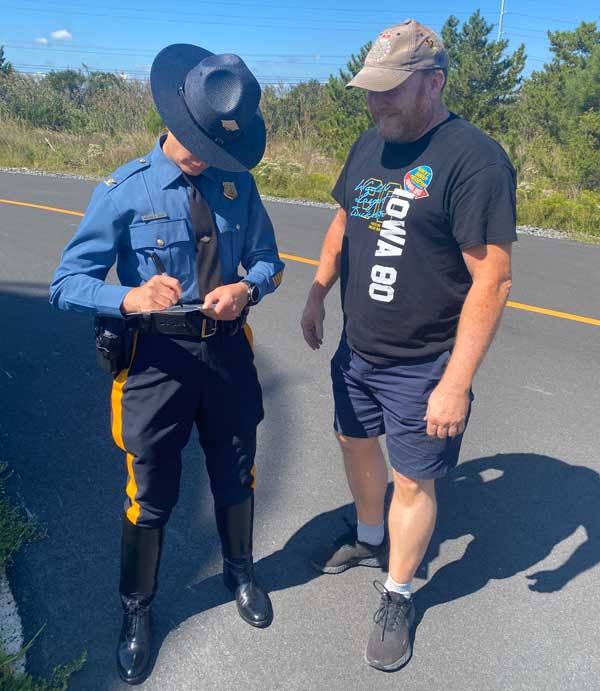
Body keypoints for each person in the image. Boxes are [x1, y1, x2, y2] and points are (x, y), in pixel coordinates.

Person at [50, 44, 284, 685]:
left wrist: (249, 289)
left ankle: (241, 570)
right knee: (150, 492)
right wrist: (124, 297)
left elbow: (268, 258)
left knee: (237, 468)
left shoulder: (237, 183)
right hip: (155, 360)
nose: (210, 157)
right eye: (202, 142)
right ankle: (137, 610)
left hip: (228, 350)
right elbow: (66, 282)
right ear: (177, 122)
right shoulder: (125, 191)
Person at [301, 19, 516, 672]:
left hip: (423, 366)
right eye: (370, 90)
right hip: (357, 351)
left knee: (414, 481)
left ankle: (398, 592)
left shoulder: (473, 159)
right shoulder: (373, 141)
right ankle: (371, 536)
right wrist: (316, 291)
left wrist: (454, 381)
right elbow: (345, 218)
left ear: (434, 82)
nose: (376, 103)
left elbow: (493, 277)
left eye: (390, 91)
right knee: (354, 442)